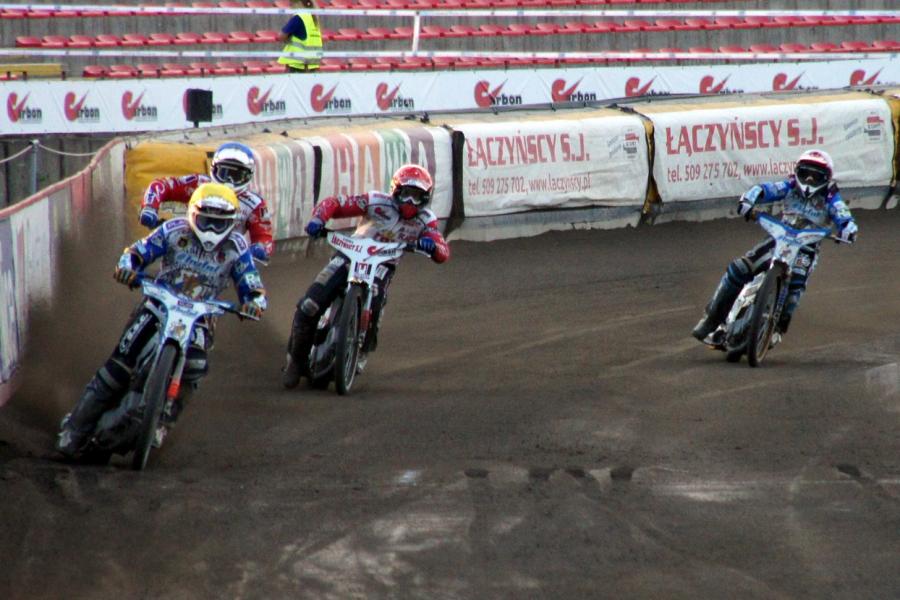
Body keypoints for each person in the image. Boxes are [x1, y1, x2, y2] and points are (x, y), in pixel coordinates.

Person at [57, 183, 267, 458]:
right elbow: (137, 252)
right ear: (193, 214)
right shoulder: (173, 230)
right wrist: (127, 267)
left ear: (232, 222)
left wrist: (254, 302)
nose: (212, 229)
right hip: (158, 304)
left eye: (219, 223)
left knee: (195, 367)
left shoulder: (237, 247)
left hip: (200, 318)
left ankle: (164, 421)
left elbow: (251, 282)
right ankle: (74, 428)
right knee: (118, 367)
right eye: (206, 220)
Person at [282, 164, 450, 388]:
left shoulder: (426, 220)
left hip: (383, 264)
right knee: (310, 304)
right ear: (396, 190)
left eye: (418, 196)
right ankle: (296, 361)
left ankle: (362, 348)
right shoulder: (375, 201)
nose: (411, 202)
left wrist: (432, 246)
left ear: (426, 198)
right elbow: (335, 203)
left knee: (377, 302)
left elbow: (442, 250)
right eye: (407, 194)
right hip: (350, 254)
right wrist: (318, 219)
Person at [691, 149, 857, 346]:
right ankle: (711, 319)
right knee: (739, 269)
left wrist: (848, 230)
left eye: (816, 175)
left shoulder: (831, 198)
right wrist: (748, 200)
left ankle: (778, 329)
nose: (810, 179)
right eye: (806, 173)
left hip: (806, 248)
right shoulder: (789, 186)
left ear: (827, 178)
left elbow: (845, 217)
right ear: (797, 171)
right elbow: (765, 189)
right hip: (779, 237)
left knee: (795, 286)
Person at [139, 141, 274, 264]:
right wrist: (150, 207)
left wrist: (258, 249)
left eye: (236, 176)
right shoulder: (199, 184)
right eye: (224, 173)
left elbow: (264, 236)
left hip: (224, 260)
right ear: (214, 169)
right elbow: (163, 185)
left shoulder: (254, 204)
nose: (229, 180)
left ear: (248, 175)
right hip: (185, 246)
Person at [277, 0, 322, 73]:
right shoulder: (314, 19)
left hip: (297, 65)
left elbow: (281, 36)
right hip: (312, 65)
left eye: (291, 3)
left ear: (298, 3)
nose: (290, 6)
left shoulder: (299, 17)